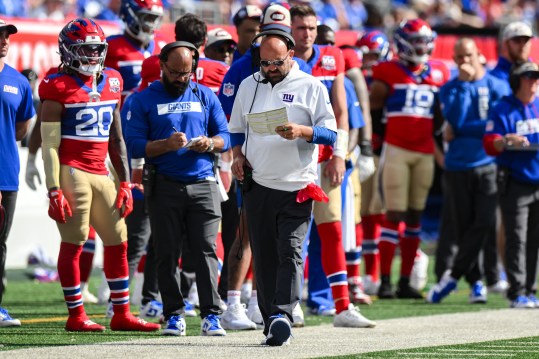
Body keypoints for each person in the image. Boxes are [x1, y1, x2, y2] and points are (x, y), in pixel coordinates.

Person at [39, 18, 160, 333]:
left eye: (96, 49)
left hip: (101, 171)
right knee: (75, 242)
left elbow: (116, 139)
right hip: (71, 169)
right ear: (68, 50)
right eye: (86, 48)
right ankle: (76, 314)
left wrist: (125, 182)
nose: (93, 55)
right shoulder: (56, 84)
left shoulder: (113, 80)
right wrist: (53, 188)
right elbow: (49, 145)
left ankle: (121, 313)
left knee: (118, 240)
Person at [228, 31, 348, 346]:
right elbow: (237, 130)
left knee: (291, 251)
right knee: (265, 256)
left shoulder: (311, 86)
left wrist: (302, 131)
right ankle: (272, 320)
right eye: (264, 62)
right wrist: (237, 157)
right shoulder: (247, 85)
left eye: (276, 62)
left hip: (297, 185)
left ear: (291, 54)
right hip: (258, 184)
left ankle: (283, 313)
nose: (269, 68)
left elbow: (331, 132)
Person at [125, 41, 230, 336]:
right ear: (162, 65)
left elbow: (226, 135)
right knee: (166, 253)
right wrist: (164, 145)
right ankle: (173, 314)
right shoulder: (142, 100)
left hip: (203, 183)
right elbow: (132, 143)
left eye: (187, 72)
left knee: (206, 251)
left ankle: (211, 315)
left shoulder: (205, 95)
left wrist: (210, 143)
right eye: (175, 72)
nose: (181, 78)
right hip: (164, 184)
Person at [218, 2, 310, 330]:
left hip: (290, 172)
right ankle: (232, 301)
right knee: (248, 237)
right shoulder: (244, 71)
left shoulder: (303, 76)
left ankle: (266, 305)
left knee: (283, 245)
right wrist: (234, 156)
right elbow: (228, 120)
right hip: (255, 170)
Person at [290, 5, 374, 325]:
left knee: (333, 229)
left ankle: (341, 306)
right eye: (301, 28)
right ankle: (289, 300)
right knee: (293, 235)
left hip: (325, 158)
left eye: (311, 28)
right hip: (292, 159)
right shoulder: (280, 59)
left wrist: (339, 154)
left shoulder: (331, 57)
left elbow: (341, 111)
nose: (307, 34)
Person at [369, 18, 449, 299]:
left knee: (415, 216)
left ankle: (405, 281)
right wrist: (377, 141)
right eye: (415, 41)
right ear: (402, 43)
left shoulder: (438, 72)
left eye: (423, 41)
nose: (421, 47)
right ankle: (386, 281)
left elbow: (441, 117)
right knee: (393, 215)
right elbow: (373, 111)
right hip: (397, 149)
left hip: (425, 151)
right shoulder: (387, 71)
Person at [426, 38, 508, 304]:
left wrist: (475, 129)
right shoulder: (450, 88)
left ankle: (452, 276)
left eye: (468, 55)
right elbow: (458, 121)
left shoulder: (496, 85)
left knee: (484, 222)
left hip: (488, 163)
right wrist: (464, 85)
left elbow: (499, 126)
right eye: (459, 56)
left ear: (479, 55)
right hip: (458, 165)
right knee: (463, 227)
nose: (464, 61)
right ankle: (476, 283)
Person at [483, 61, 539, 309]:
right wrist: (506, 140)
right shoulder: (503, 108)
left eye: (536, 77)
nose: (535, 82)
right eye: (529, 77)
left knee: (534, 239)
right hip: (515, 180)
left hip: (537, 179)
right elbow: (489, 141)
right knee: (517, 237)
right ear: (517, 81)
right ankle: (516, 292)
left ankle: (529, 288)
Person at [0, 18, 35, 327]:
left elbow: (21, 130)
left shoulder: (19, 82)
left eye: (6, 35)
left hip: (7, 173)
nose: (4, 40)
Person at [105, 0, 164, 100]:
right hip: (123, 111)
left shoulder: (162, 44)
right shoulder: (110, 46)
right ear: (130, 15)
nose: (152, 24)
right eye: (147, 18)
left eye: (155, 18)